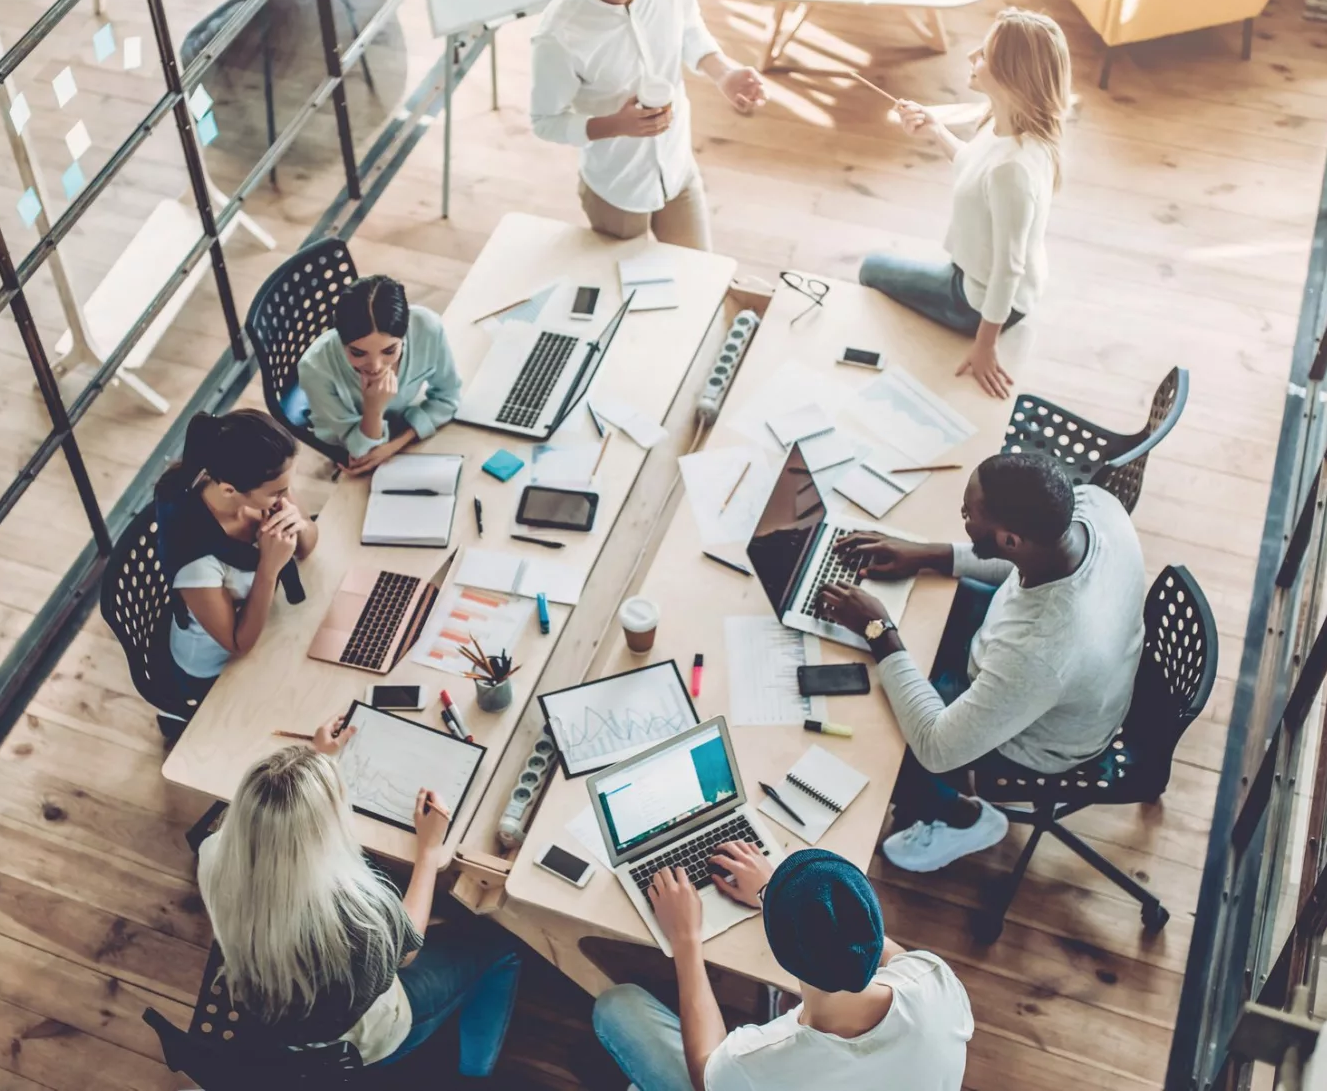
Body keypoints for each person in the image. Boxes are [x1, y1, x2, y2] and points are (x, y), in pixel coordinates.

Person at [818, 452, 1146, 874]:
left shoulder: (1042, 650)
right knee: (915, 631)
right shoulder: (1094, 507)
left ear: (1009, 540)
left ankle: (963, 818)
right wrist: (925, 555)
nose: (962, 516)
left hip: (1043, 738)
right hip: (1040, 659)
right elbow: (1019, 563)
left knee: (879, 735)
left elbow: (938, 748)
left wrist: (878, 629)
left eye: (969, 514)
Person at [196, 726, 523, 1075]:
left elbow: (279, 825)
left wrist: (314, 762)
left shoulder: (214, 854)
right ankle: (475, 1073)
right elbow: (408, 949)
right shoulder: (355, 915)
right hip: (364, 1040)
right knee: (502, 949)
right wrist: (429, 850)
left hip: (276, 1015)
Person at [592, 844, 972, 1091]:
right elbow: (879, 946)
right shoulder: (933, 979)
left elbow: (706, 1072)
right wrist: (777, 893)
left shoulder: (764, 1060)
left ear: (781, 953)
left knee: (616, 1006)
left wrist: (686, 940)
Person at [530, 0, 768, 251]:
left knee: (699, 275)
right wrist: (616, 126)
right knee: (629, 295)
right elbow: (546, 121)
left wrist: (724, 73)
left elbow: (688, 27)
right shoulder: (559, 36)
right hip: (617, 189)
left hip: (678, 169)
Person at [858, 7, 1071, 398]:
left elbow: (1008, 269)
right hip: (985, 276)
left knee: (870, 269)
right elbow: (975, 169)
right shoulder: (1009, 124)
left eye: (984, 53)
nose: (972, 56)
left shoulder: (1014, 171)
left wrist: (985, 344)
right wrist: (936, 128)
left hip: (975, 298)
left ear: (1011, 74)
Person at [155, 410, 318, 688]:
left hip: (269, 622)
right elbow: (237, 644)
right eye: (279, 492)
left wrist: (299, 523)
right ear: (230, 490)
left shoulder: (264, 482)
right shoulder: (197, 559)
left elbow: (307, 549)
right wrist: (269, 567)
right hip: (217, 669)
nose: (286, 495)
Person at [298, 274, 461, 476]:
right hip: (347, 439)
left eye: (390, 351)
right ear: (341, 339)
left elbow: (449, 397)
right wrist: (373, 408)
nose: (375, 367)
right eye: (358, 353)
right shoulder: (314, 368)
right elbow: (363, 452)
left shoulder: (427, 327)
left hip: (398, 428)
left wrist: (394, 445)